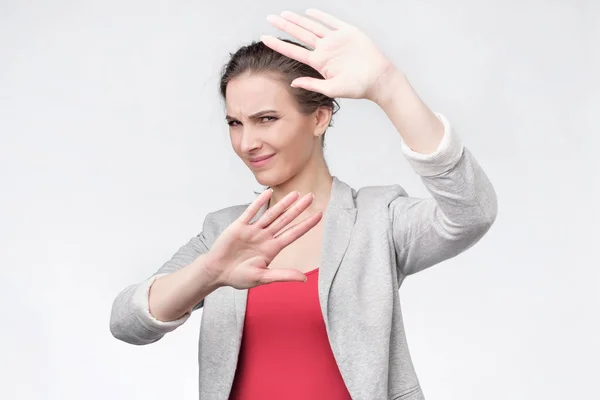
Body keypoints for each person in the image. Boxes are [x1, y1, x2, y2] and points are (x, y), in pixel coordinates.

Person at [109, 8, 498, 400]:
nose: (247, 143)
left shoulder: (377, 221)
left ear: (319, 118)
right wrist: (208, 273)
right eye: (235, 123)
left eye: (266, 119)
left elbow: (471, 212)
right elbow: (127, 323)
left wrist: (389, 86)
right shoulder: (224, 234)